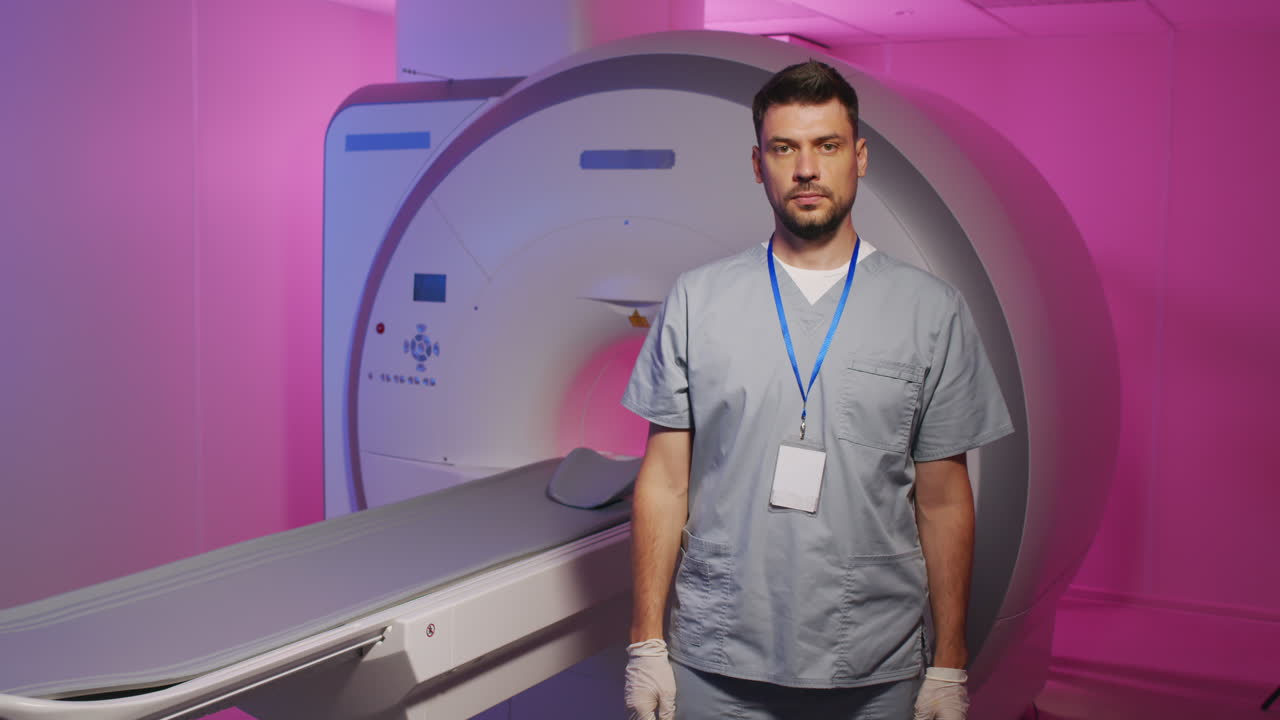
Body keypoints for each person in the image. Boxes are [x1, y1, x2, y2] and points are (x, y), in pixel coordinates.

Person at [620, 60, 1014, 720]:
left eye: (827, 146)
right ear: (758, 165)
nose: (806, 168)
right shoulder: (697, 301)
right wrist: (646, 642)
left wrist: (949, 661)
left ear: (858, 157)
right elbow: (664, 481)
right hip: (718, 656)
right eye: (785, 148)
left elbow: (945, 499)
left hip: (872, 659)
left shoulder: (930, 312)